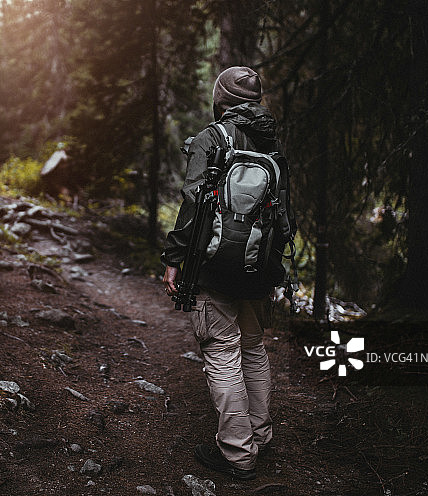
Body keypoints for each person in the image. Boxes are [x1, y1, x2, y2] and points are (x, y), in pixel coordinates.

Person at [162, 66, 281, 481]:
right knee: (253, 349)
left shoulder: (213, 138)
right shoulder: (272, 143)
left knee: (222, 353)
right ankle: (259, 436)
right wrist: (273, 270)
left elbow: (193, 203)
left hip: (214, 269)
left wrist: (174, 258)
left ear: (220, 99)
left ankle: (237, 454)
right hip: (259, 269)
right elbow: (283, 216)